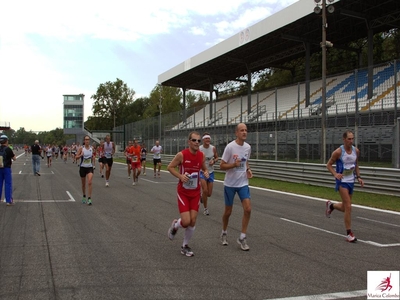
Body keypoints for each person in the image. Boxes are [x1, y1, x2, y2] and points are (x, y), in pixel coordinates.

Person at [167, 132, 209, 257]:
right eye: (194, 140)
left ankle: (184, 245)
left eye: (198, 141)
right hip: (183, 192)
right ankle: (175, 225)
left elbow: (204, 168)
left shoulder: (201, 156)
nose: (197, 142)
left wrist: (206, 172)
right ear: (189, 142)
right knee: (186, 221)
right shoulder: (182, 155)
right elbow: (170, 167)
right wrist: (180, 176)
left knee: (193, 221)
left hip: (195, 193)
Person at [326, 130, 364, 242]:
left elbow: (356, 165)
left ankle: (331, 206)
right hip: (342, 181)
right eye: (349, 139)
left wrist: (359, 177)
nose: (351, 141)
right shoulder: (338, 152)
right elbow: (328, 165)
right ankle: (349, 234)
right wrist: (335, 174)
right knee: (348, 207)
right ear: (344, 139)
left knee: (344, 207)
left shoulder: (356, 151)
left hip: (351, 181)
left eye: (352, 139)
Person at [219, 123, 253, 251]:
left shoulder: (248, 147)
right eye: (242, 130)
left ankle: (242, 237)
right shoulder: (230, 147)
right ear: (236, 133)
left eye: (246, 130)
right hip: (230, 184)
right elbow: (221, 166)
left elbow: (246, 162)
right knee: (228, 212)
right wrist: (233, 165)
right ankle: (224, 231)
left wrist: (248, 169)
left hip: (243, 183)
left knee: (248, 209)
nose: (244, 132)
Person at [199, 132, 219, 216]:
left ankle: (202, 196)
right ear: (203, 140)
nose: (208, 140)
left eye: (209, 139)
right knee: (205, 190)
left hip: (211, 172)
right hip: (202, 171)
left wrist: (213, 161)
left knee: (209, 194)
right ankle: (205, 209)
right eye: (206, 138)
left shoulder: (213, 148)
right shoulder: (200, 149)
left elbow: (217, 157)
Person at [75, 135, 95, 205]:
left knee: (89, 182)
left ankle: (89, 198)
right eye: (86, 140)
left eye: (88, 140)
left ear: (89, 141)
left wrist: (93, 161)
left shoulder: (92, 148)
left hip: (89, 167)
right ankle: (84, 196)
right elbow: (76, 157)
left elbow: (93, 156)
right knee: (83, 184)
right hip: (83, 167)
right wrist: (81, 155)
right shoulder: (81, 148)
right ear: (84, 141)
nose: (87, 141)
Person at [0, 135, 16, 206]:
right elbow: (14, 158)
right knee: (8, 184)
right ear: (6, 141)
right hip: (6, 168)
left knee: (0, 184)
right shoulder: (8, 149)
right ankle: (8, 200)